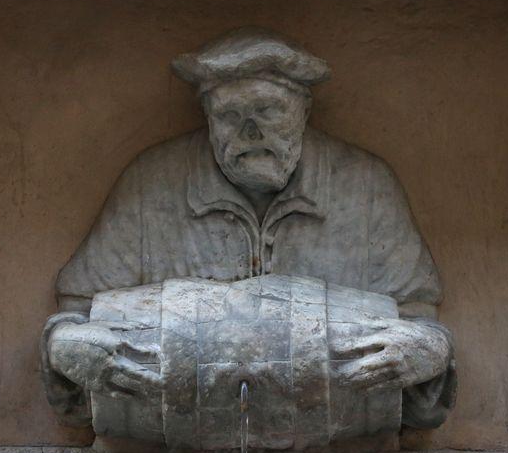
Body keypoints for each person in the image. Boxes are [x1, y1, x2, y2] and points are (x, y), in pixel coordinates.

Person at [42, 28, 455, 430]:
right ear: (208, 118)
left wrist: (428, 351)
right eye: (230, 115)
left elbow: (418, 321)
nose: (251, 132)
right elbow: (77, 314)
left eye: (269, 111)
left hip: (340, 450)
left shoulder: (365, 187)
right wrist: (66, 346)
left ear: (303, 112)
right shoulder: (153, 184)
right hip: (169, 451)